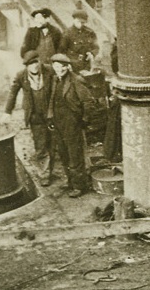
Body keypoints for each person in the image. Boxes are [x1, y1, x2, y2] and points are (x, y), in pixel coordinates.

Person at [5, 51, 56, 186]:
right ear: (26, 66)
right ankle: (44, 174)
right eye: (30, 64)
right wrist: (7, 111)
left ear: (39, 61)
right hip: (34, 115)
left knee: (52, 143)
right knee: (40, 145)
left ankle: (49, 169)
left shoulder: (49, 71)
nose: (34, 67)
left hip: (51, 113)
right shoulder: (21, 76)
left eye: (35, 63)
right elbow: (13, 93)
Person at [48, 54, 93, 197]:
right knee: (63, 153)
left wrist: (84, 120)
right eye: (56, 67)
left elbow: (88, 102)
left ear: (67, 67)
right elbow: (52, 100)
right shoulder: (55, 79)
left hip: (72, 121)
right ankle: (70, 182)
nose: (59, 70)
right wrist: (50, 117)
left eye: (62, 67)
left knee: (74, 154)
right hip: (58, 120)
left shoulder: (76, 80)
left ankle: (80, 186)